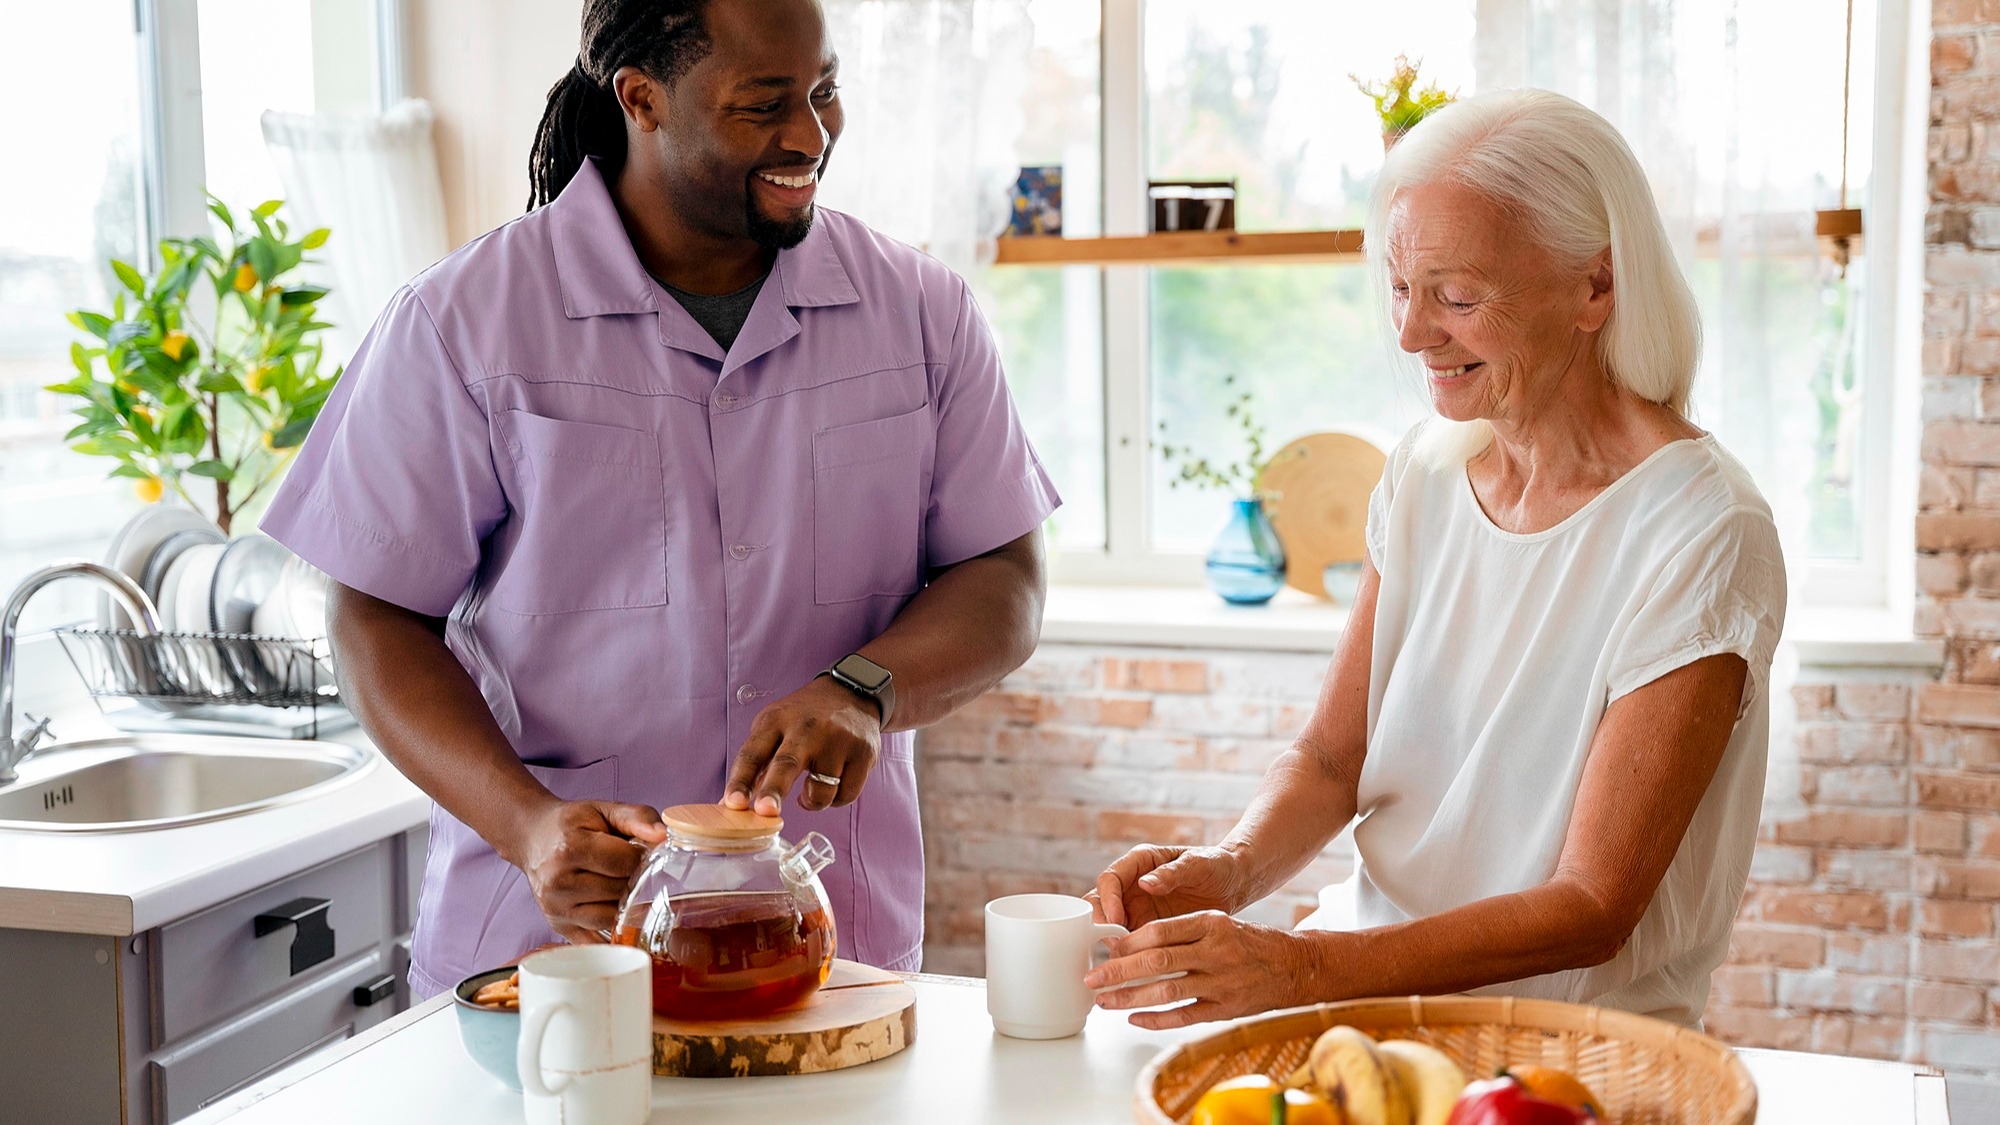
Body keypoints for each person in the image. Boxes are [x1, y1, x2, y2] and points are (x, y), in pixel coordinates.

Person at [261, 0, 1057, 998]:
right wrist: (525, 824)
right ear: (641, 99)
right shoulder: (460, 323)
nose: (808, 135)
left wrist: (866, 686)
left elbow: (1005, 579)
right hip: (548, 960)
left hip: (828, 953)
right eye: (763, 104)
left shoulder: (921, 312)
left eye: (822, 91)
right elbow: (375, 616)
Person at [1086, 88, 1786, 1030]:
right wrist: (1229, 870)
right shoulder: (1424, 470)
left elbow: (1593, 906)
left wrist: (1300, 968)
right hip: (1365, 1010)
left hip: (1563, 1050)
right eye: (1401, 289)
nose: (1414, 333)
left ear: (1596, 288)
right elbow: (1335, 758)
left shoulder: (1702, 529)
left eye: (1458, 296)